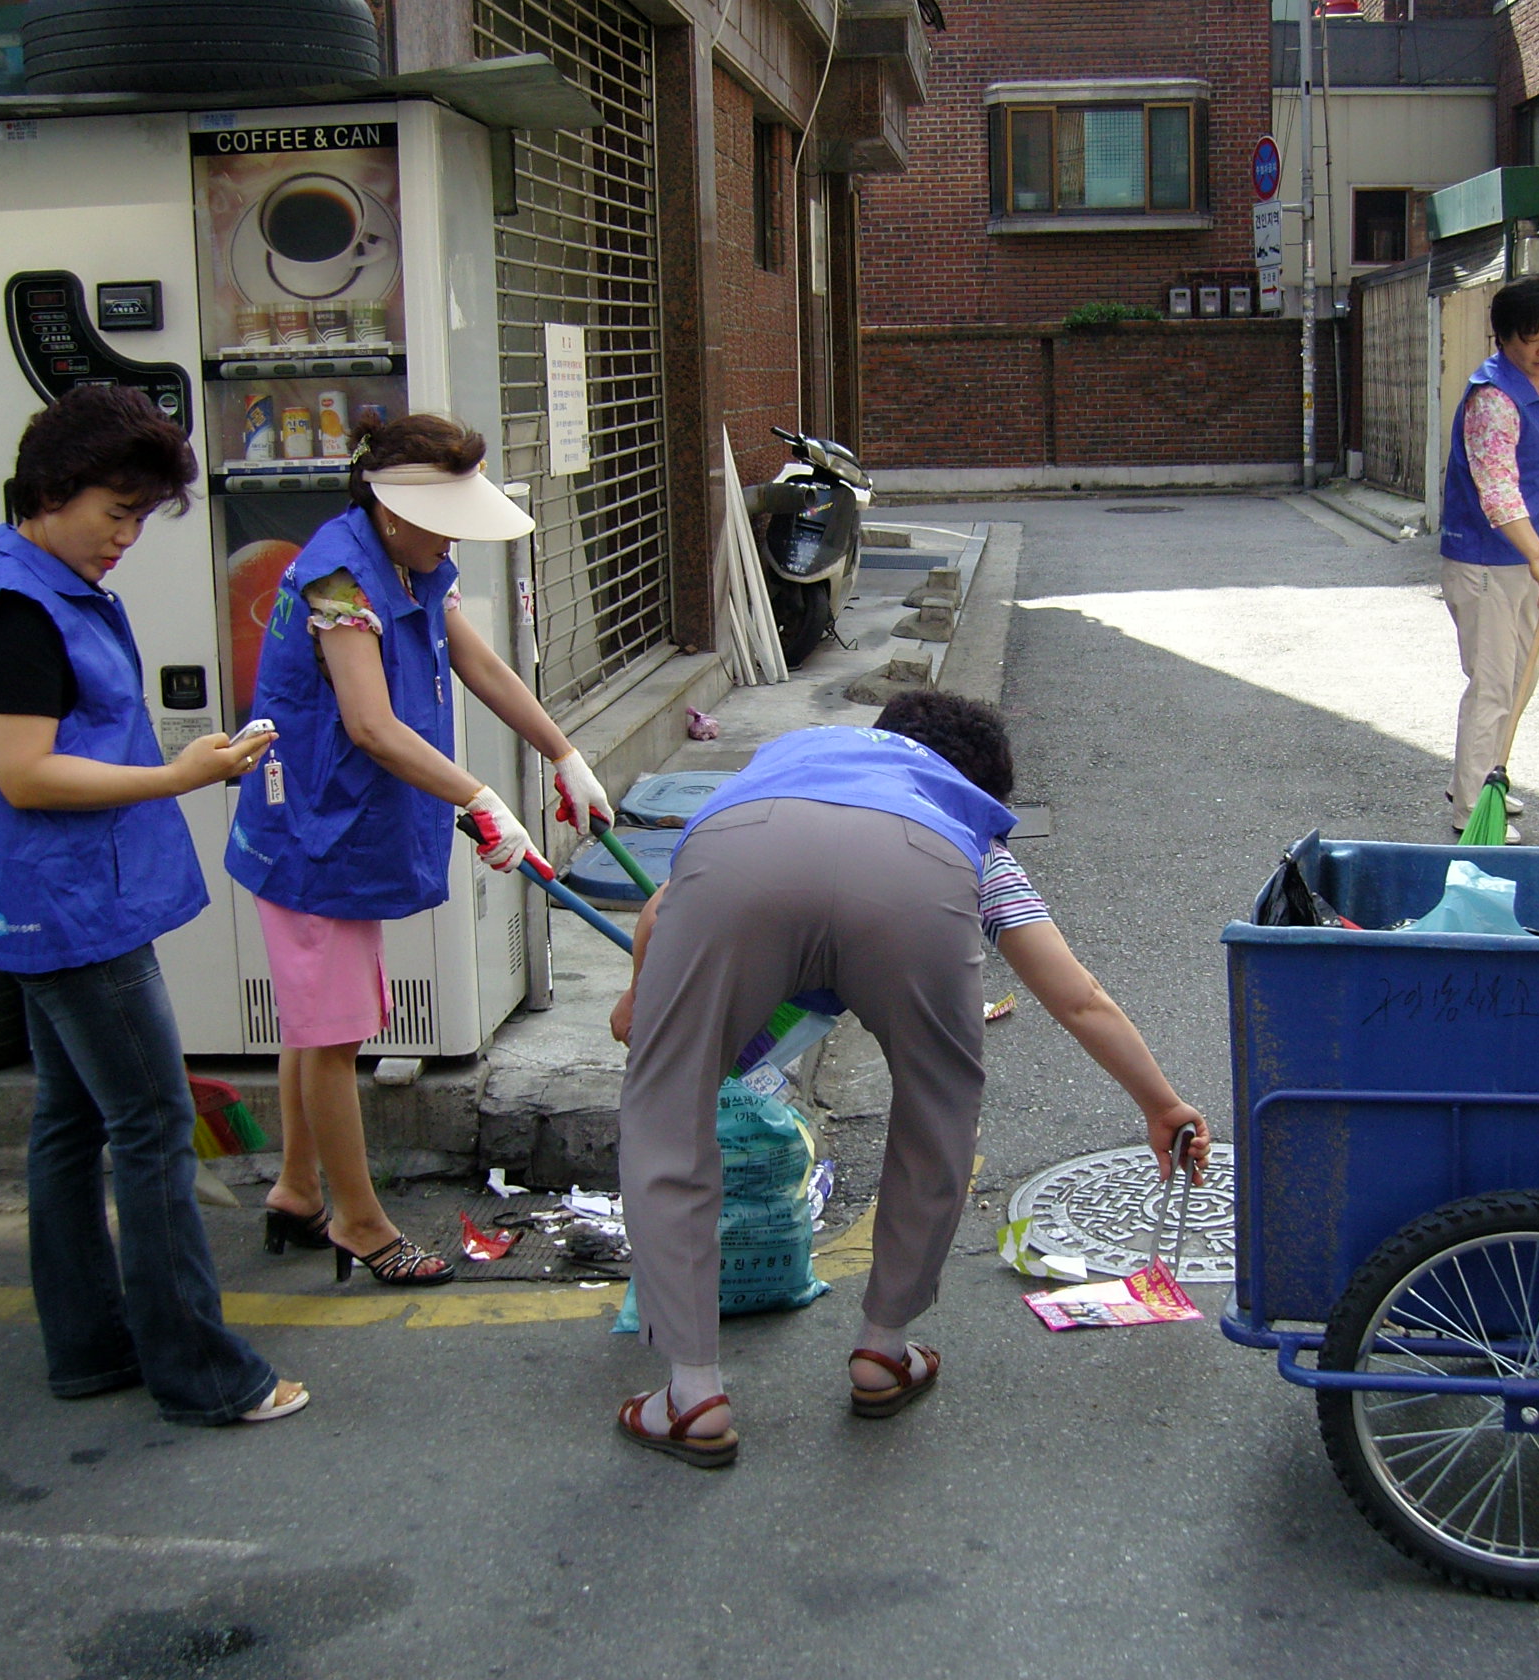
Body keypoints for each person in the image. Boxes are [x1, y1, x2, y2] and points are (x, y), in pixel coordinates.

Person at [606, 691, 1208, 1467]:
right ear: (983, 795)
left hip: (741, 853)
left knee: (666, 1110)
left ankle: (691, 1396)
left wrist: (640, 1004)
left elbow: (660, 911)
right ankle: (883, 1351)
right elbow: (1077, 997)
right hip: (916, 875)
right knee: (940, 1109)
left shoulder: (807, 757)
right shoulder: (965, 828)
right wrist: (1161, 1103)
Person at [0, 385, 305, 1426]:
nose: (125, 537)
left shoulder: (33, 587)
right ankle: (201, 1373)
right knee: (149, 1124)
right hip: (72, 913)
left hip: (50, 903)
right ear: (52, 489)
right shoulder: (17, 609)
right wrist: (179, 776)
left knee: (70, 1120)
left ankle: (91, 1347)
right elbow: (26, 773)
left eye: (140, 517)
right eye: (115, 510)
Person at [224, 414, 613, 1288]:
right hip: (310, 829)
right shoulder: (334, 576)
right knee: (333, 1033)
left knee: (312, 1020)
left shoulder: (415, 558)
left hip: (346, 822)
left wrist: (562, 752)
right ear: (388, 504)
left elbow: (481, 665)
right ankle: (359, 1224)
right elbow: (368, 722)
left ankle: (295, 1189)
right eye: (440, 515)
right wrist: (477, 798)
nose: (453, 535)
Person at [1438, 272, 1539, 840]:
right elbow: (1497, 488)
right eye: (1532, 336)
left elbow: (1524, 466)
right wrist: (1538, 557)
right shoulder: (1494, 399)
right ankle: (1473, 810)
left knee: (1518, 681)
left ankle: (1481, 781)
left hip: (1519, 565)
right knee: (1496, 685)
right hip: (1488, 565)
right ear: (1505, 336)